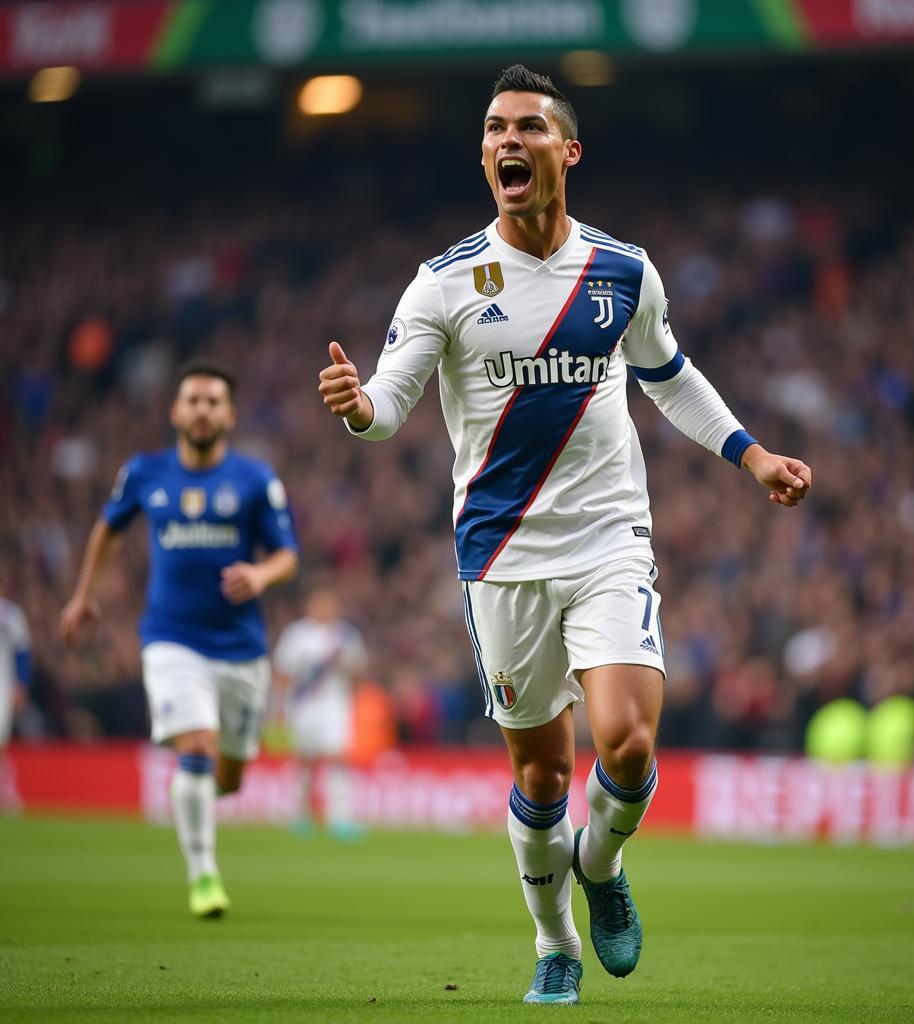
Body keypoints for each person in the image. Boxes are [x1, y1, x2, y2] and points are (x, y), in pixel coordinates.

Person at [318, 65, 811, 1005]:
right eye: (496, 129)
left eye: (530, 128)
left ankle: (603, 865)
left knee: (624, 746)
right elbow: (389, 404)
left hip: (607, 540)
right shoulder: (444, 283)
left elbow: (669, 375)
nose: (510, 141)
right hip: (500, 556)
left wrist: (751, 455)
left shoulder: (623, 270)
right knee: (542, 774)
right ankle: (555, 944)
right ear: (485, 156)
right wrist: (356, 409)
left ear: (567, 150)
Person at [60, 360, 299, 918]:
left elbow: (289, 555)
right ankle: (203, 876)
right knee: (195, 746)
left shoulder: (255, 479)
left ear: (230, 415)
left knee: (230, 776)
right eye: (193, 400)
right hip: (170, 638)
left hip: (241, 648)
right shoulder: (144, 473)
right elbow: (108, 529)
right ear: (175, 410)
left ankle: (191, 799)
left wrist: (260, 575)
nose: (202, 410)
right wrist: (83, 594)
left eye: (213, 402)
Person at [273, 587, 367, 836]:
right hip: (303, 704)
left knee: (338, 757)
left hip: (334, 703)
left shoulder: (346, 635)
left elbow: (357, 672)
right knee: (305, 759)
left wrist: (352, 696)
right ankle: (301, 814)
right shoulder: (296, 635)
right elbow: (283, 673)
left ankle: (340, 816)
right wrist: (279, 707)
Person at [0, 585, 31, 814]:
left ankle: (6, 792)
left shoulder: (10, 615)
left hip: (4, 686)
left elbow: (23, 653)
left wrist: (20, 684)